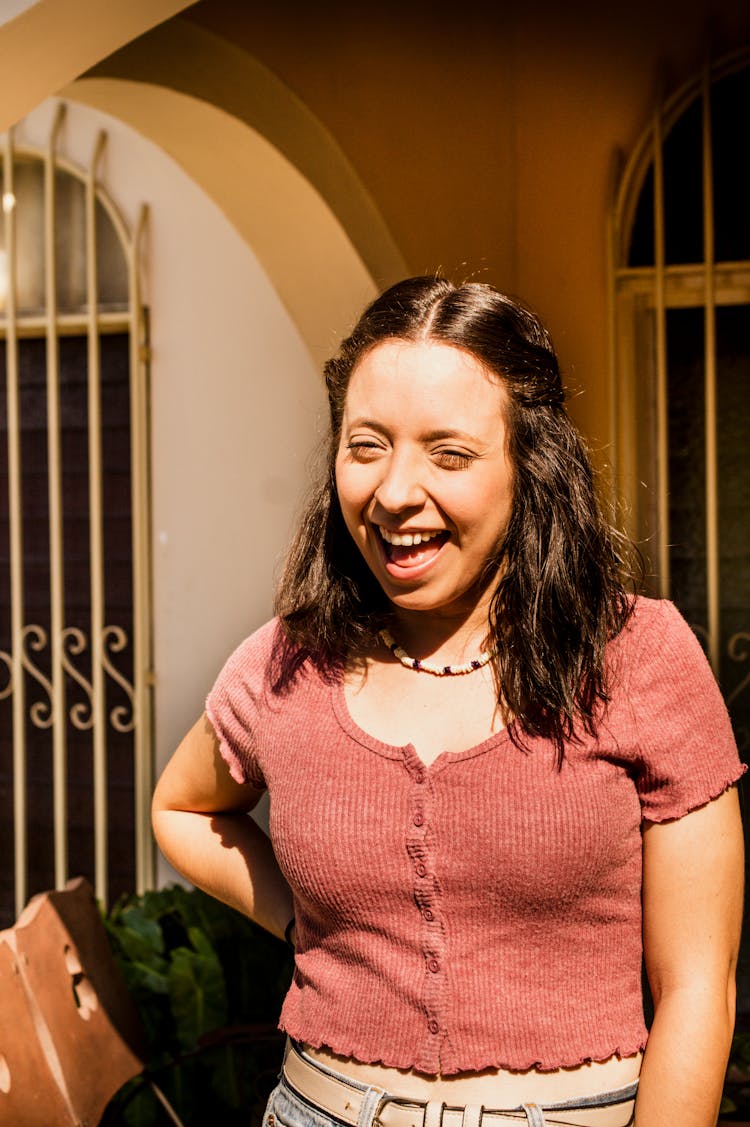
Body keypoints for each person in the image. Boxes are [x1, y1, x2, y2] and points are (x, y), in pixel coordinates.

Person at [152, 276, 746, 1127]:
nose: (395, 492)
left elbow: (698, 990)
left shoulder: (638, 657)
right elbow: (179, 805)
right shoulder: (289, 661)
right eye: (366, 445)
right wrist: (303, 921)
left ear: (529, 466)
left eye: (450, 452)